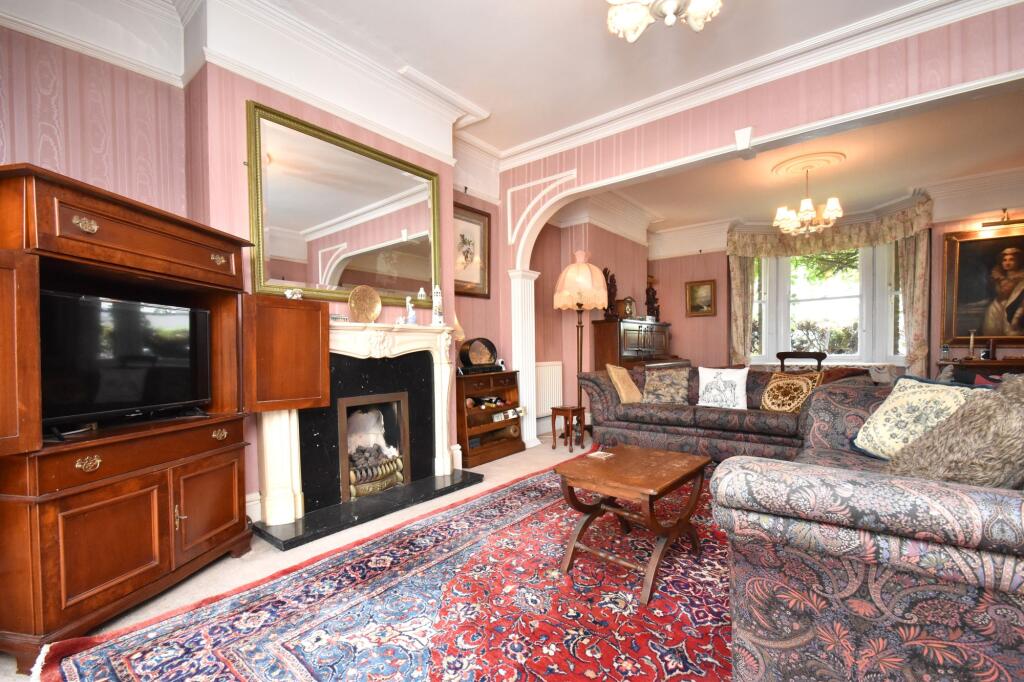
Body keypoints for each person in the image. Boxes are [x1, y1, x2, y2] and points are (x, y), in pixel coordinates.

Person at [981, 247, 1024, 336]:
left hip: (1015, 308)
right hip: (996, 308)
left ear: (1018, 261)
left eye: (1011, 259)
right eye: (1005, 260)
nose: (1007, 263)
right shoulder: (997, 277)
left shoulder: (1022, 279)